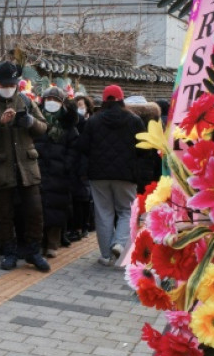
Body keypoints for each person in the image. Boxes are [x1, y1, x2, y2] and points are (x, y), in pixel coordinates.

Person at [0, 61, 50, 272]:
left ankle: (33, 251)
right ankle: (9, 252)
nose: (9, 87)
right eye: (5, 84)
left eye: (12, 84)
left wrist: (30, 122)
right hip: (0, 165)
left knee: (35, 210)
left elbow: (43, 127)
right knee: (3, 213)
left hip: (27, 166)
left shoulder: (24, 100)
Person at [76, 84, 146, 266]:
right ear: (121, 99)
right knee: (126, 210)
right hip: (126, 175)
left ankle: (105, 255)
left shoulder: (93, 121)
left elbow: (82, 146)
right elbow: (144, 149)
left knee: (103, 213)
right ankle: (120, 243)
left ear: (104, 101)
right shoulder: (134, 120)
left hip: (98, 175)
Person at [35, 87, 80, 258]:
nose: (51, 102)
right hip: (38, 171)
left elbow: (74, 150)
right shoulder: (37, 121)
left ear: (62, 103)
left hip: (59, 174)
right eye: (49, 98)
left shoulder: (69, 126)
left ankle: (53, 243)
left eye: (56, 99)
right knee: (38, 209)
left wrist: (65, 166)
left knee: (56, 209)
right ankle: (38, 242)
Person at [66, 94, 95, 242]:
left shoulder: (90, 123)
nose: (79, 108)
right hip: (75, 162)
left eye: (81, 105)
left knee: (83, 197)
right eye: (77, 105)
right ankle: (79, 226)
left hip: (84, 163)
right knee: (78, 197)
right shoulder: (72, 123)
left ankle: (83, 226)